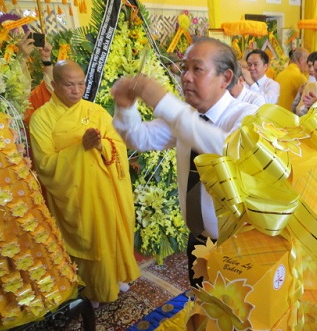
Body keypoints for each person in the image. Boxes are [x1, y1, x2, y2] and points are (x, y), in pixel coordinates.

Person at [110, 37, 258, 288]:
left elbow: (225, 149)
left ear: (225, 78)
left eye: (197, 69)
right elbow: (139, 137)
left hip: (239, 243)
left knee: (238, 316)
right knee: (202, 306)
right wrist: (125, 107)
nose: (186, 77)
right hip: (198, 239)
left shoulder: (248, 114)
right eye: (184, 68)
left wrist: (164, 102)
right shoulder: (187, 118)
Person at [29, 60, 140, 308]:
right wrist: (81, 148)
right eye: (69, 85)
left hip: (104, 188)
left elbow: (117, 146)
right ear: (54, 84)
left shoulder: (96, 111)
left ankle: (113, 277)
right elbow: (45, 164)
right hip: (74, 195)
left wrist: (100, 145)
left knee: (109, 234)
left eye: (81, 84)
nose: (76, 90)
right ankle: (93, 288)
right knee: (87, 240)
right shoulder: (41, 119)